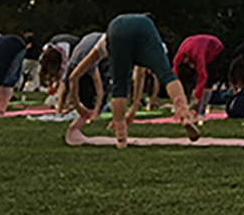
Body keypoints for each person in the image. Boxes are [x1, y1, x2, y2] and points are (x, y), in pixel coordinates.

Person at [62, 14, 200, 148]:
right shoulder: (154, 43)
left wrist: (78, 104)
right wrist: (134, 106)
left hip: (117, 27)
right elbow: (140, 75)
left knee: (119, 85)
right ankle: (184, 114)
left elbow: (74, 76)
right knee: (167, 75)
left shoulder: (104, 43)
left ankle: (121, 136)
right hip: (146, 27)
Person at [57, 31, 108, 121]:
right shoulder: (73, 65)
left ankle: (98, 105)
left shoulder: (90, 66)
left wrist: (95, 113)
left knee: (103, 82)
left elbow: (100, 91)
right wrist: (60, 110)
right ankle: (93, 105)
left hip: (99, 41)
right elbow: (66, 86)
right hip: (90, 41)